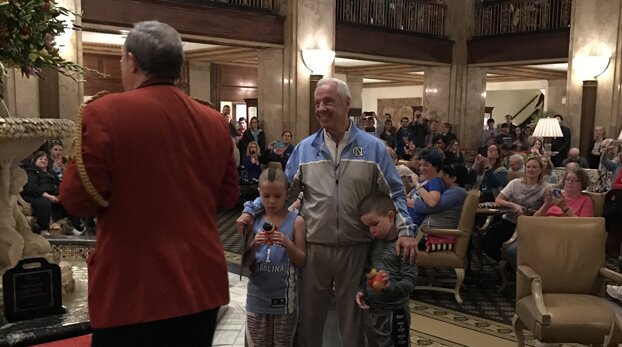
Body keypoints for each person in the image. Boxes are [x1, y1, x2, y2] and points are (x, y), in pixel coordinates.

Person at [59, 21, 239, 346]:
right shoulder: (213, 121)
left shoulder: (104, 112)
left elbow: (76, 199)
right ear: (178, 66)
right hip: (200, 287)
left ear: (131, 60)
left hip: (133, 292)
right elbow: (227, 196)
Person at [236, 77, 417, 347]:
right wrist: (251, 210)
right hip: (314, 247)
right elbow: (280, 191)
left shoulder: (373, 148)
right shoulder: (305, 149)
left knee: (354, 322)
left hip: (356, 249)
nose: (321, 108)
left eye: (328, 101)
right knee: (309, 321)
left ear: (347, 104)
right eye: (317, 103)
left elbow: (395, 193)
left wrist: (406, 231)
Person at [245, 167, 306, 347]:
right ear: (259, 193)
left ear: (287, 193)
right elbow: (246, 264)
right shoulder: (253, 220)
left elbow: (302, 260)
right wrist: (254, 244)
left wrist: (287, 243)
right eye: (266, 195)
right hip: (256, 301)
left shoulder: (297, 221)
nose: (271, 201)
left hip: (284, 303)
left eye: (277, 196)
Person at [356, 192, 417, 347]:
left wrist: (388, 286)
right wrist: (363, 290)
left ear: (391, 216)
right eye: (368, 226)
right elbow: (370, 272)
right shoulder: (375, 244)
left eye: (375, 224)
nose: (372, 231)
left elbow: (410, 282)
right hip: (374, 310)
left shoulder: (403, 246)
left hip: (395, 313)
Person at [506, 167, 593, 270]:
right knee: (512, 251)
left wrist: (564, 208)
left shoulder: (585, 201)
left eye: (574, 180)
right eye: (567, 179)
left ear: (582, 183)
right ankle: (530, 278)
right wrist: (546, 205)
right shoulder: (556, 196)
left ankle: (541, 278)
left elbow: (583, 227)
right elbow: (535, 219)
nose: (570, 182)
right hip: (541, 233)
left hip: (562, 238)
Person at [482, 156, 547, 261]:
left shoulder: (545, 188)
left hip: (529, 225)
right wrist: (513, 205)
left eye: (534, 167)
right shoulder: (515, 183)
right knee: (487, 242)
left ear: (540, 170)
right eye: (528, 167)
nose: (531, 169)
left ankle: (512, 267)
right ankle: (504, 265)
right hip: (509, 220)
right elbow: (498, 200)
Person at [21, 151, 82, 236]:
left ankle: (73, 226)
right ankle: (44, 229)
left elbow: (59, 184)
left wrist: (61, 195)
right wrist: (49, 196)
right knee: (44, 204)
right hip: (36, 195)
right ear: (35, 160)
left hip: (53, 195)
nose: (43, 160)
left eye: (45, 159)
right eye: (40, 159)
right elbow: (32, 187)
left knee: (69, 201)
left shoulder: (51, 173)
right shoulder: (31, 171)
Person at [415, 164, 468, 250]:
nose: (440, 178)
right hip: (433, 232)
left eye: (444, 175)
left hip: (435, 235)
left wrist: (413, 202)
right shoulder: (452, 191)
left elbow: (431, 207)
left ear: (453, 178)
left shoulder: (458, 192)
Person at [406, 149, 444, 230]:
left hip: (411, 222)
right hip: (404, 215)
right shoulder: (424, 181)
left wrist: (416, 183)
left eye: (426, 165)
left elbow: (432, 202)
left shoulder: (435, 181)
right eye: (420, 165)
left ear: (436, 166)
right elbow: (406, 198)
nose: (421, 168)